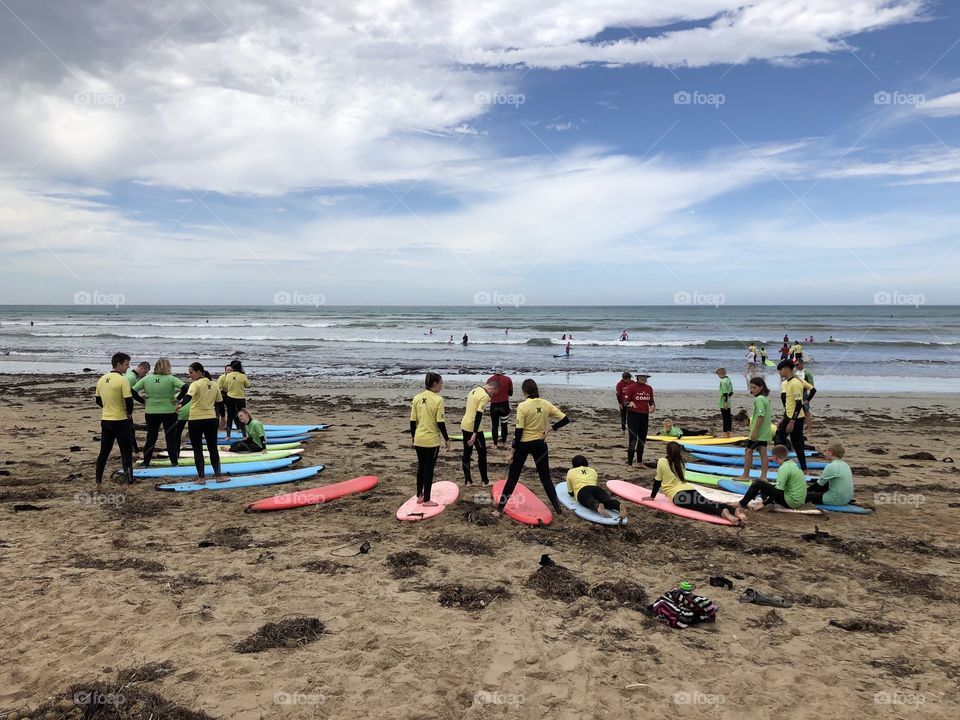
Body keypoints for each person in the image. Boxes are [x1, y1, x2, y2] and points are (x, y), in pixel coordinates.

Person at [493, 379, 570, 517]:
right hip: (540, 445)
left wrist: (511, 453)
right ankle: (558, 510)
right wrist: (551, 429)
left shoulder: (523, 406)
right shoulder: (546, 404)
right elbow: (565, 419)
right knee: (545, 478)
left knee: (513, 478)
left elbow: (519, 432)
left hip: (523, 445)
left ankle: (499, 510)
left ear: (524, 391)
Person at [651, 443, 745, 525]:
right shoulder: (681, 462)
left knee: (701, 506)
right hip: (689, 488)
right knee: (707, 501)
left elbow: (657, 480)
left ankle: (721, 513)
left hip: (677, 494)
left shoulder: (662, 461)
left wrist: (652, 496)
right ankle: (734, 510)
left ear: (667, 451)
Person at [176, 362, 226, 484]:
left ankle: (202, 478)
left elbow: (188, 396)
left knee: (197, 449)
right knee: (212, 448)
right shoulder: (214, 385)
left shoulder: (195, 384)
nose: (190, 375)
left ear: (198, 371)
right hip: (210, 419)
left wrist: (180, 405)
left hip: (195, 420)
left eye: (191, 372)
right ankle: (218, 476)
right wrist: (223, 418)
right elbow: (220, 403)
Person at [132, 357, 185, 468]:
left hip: (151, 412)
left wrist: (142, 401)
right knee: (170, 437)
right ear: (168, 367)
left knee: (151, 437)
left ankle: (146, 462)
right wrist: (178, 398)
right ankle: (174, 462)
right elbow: (186, 388)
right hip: (169, 411)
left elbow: (132, 391)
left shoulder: (147, 379)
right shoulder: (171, 379)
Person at [94, 352, 135, 489]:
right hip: (120, 421)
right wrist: (128, 413)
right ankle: (130, 482)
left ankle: (98, 481)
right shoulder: (123, 380)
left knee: (104, 452)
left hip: (106, 420)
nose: (128, 367)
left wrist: (108, 407)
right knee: (126, 452)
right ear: (118, 364)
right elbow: (129, 401)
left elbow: (98, 400)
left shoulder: (102, 379)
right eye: (126, 364)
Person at [410, 372, 450, 506]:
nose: (442, 386)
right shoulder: (438, 400)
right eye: (441, 383)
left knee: (421, 467)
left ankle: (419, 496)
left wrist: (413, 436)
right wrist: (447, 439)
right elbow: (440, 422)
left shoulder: (417, 398)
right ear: (434, 384)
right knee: (429, 469)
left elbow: (412, 420)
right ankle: (427, 500)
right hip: (431, 441)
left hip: (419, 439)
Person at [738, 445, 807, 511]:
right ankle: (762, 499)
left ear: (774, 457)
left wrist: (764, 504)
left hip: (791, 502)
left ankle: (742, 504)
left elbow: (778, 491)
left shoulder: (783, 468)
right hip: (799, 501)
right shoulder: (792, 464)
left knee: (757, 483)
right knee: (767, 486)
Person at [775, 360, 812, 471]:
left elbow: (798, 403)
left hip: (796, 418)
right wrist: (785, 417)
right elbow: (788, 403)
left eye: (781, 370)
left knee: (797, 444)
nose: (780, 373)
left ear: (787, 368)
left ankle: (803, 468)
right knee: (779, 438)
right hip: (789, 416)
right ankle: (785, 463)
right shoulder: (787, 383)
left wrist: (792, 422)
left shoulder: (795, 383)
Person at [459, 381, 497, 485]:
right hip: (473, 427)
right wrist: (475, 433)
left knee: (467, 453)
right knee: (482, 453)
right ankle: (485, 481)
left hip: (464, 424)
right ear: (491, 388)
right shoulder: (484, 396)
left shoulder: (473, 390)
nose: (492, 396)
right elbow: (478, 415)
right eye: (493, 393)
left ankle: (468, 481)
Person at [738, 376, 772, 481]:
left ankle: (745, 476)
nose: (751, 390)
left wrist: (755, 431)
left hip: (758, 432)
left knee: (748, 451)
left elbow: (761, 416)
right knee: (763, 453)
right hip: (765, 430)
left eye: (754, 387)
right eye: (750, 387)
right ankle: (763, 477)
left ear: (761, 387)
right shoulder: (766, 398)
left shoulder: (759, 399)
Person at [625, 372, 655, 466]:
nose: (643, 378)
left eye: (645, 377)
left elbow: (651, 401)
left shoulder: (649, 388)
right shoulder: (631, 387)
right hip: (633, 415)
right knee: (633, 439)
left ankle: (639, 462)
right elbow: (625, 401)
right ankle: (630, 463)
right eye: (641, 377)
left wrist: (653, 406)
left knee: (642, 439)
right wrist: (629, 403)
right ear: (637, 377)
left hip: (644, 416)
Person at [220, 359, 251, 440]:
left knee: (230, 416)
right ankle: (244, 436)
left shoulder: (228, 375)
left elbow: (227, 384)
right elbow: (248, 385)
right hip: (240, 399)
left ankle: (228, 436)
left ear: (232, 367)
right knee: (242, 416)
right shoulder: (243, 376)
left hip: (230, 398)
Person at [125, 360, 150, 454]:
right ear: (141, 368)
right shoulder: (131, 378)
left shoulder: (129, 374)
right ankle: (134, 450)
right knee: (130, 430)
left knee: (130, 430)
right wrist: (143, 402)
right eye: (145, 372)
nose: (144, 375)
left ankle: (134, 449)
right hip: (125, 406)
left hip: (125, 406)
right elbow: (131, 393)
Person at [487, 368, 514, 447]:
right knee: (504, 424)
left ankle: (495, 444)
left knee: (494, 425)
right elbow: (510, 393)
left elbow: (488, 394)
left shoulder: (489, 380)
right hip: (504, 405)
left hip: (494, 405)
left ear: (495, 371)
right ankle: (504, 443)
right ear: (502, 371)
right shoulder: (508, 379)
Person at [716, 368, 734, 438]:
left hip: (724, 402)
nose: (718, 377)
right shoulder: (728, 379)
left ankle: (724, 433)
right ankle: (729, 433)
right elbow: (731, 391)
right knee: (728, 417)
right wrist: (728, 400)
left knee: (725, 418)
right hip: (729, 401)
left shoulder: (722, 381)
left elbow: (725, 393)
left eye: (718, 375)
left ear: (720, 374)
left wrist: (725, 402)